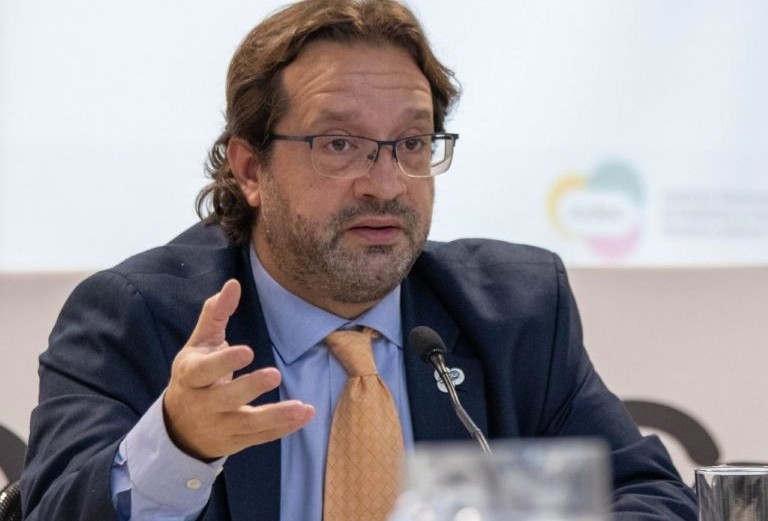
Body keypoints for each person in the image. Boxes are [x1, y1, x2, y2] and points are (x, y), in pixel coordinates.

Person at [20, 0, 698, 519]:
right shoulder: (138, 317)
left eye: (412, 143)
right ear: (251, 168)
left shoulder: (518, 314)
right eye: (339, 144)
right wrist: (177, 444)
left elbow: (650, 496)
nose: (386, 183)